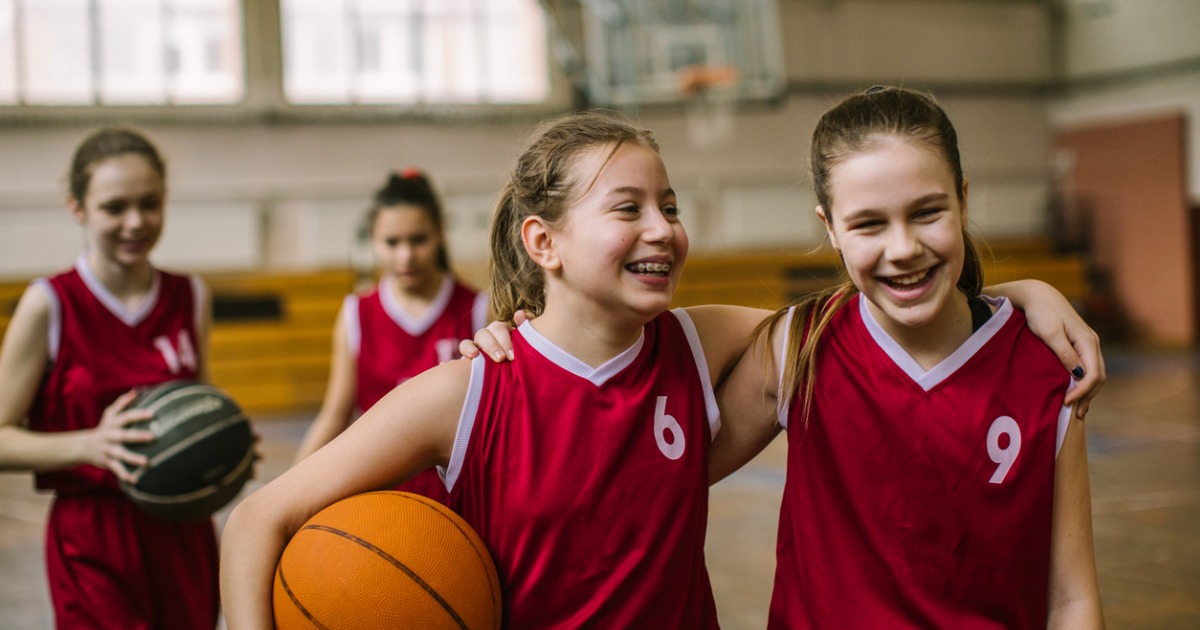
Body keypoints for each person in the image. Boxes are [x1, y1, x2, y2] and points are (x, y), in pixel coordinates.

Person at [221, 110, 1102, 629]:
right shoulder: (470, 388)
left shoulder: (696, 343)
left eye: (670, 207)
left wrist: (1020, 291)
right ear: (545, 241)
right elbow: (258, 520)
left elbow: (878, 315)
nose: (662, 228)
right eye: (629, 208)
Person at [711, 86, 1103, 627]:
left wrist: (1026, 293)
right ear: (830, 228)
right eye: (869, 224)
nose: (902, 248)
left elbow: (1072, 599)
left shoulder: (1046, 369)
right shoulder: (798, 348)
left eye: (926, 213)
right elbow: (667, 477)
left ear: (963, 201)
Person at [0, 127, 222, 629]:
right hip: (93, 534)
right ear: (77, 207)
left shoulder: (191, 295)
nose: (135, 222)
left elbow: (202, 401)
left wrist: (223, 445)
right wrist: (89, 445)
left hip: (183, 529)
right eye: (114, 207)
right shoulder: (50, 303)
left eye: (150, 203)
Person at [291, 169, 488, 503]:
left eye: (418, 239)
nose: (405, 256)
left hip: (457, 498)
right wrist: (288, 490)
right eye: (392, 242)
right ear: (373, 238)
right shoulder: (357, 313)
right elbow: (335, 415)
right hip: (377, 495)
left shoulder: (479, 309)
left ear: (440, 232)